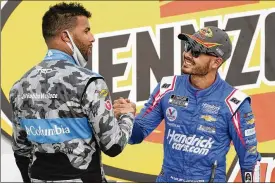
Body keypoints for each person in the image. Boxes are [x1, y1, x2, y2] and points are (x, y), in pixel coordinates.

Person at [114, 26, 261, 182]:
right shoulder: (167, 88)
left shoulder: (235, 103)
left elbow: (249, 161)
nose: (187, 54)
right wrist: (127, 117)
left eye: (196, 51)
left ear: (216, 62)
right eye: (188, 47)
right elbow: (136, 135)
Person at [9, 2, 135, 183]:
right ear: (65, 36)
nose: (92, 38)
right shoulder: (90, 81)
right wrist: (127, 116)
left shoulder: (19, 86)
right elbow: (113, 145)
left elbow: (21, 151)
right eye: (86, 31)